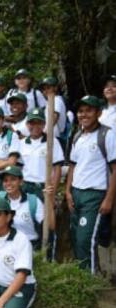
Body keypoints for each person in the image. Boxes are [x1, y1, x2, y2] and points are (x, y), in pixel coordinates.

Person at [66, 95, 116, 272]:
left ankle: (89, 283)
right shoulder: (78, 135)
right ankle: (82, 279)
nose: (83, 114)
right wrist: (68, 192)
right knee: (75, 238)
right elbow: (73, 166)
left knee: (86, 240)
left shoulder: (107, 134)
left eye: (89, 110)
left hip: (95, 195)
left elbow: (114, 168)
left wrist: (109, 198)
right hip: (76, 193)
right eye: (80, 111)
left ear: (99, 113)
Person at [19, 108, 64, 199]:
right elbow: (18, 168)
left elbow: (57, 169)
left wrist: (53, 191)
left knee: (44, 213)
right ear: (27, 124)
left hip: (44, 187)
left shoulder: (52, 141)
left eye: (39, 123)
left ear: (44, 124)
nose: (35, 126)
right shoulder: (21, 143)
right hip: (26, 187)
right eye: (32, 123)